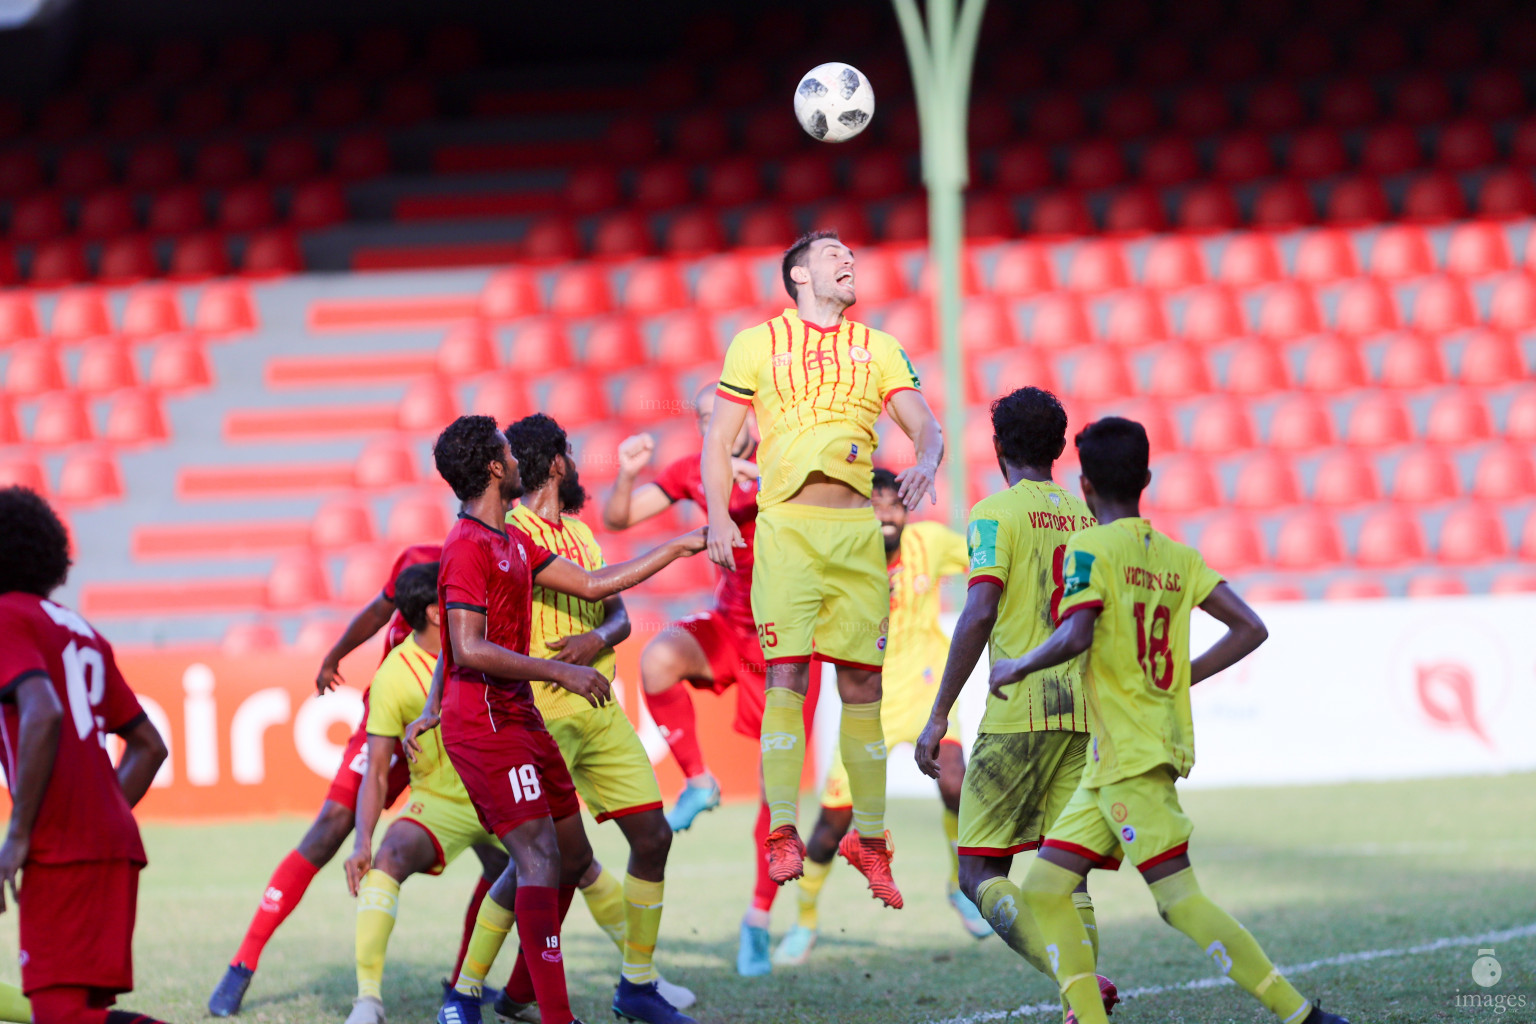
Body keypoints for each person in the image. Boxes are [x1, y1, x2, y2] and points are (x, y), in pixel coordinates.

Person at [994, 418, 1349, 1024]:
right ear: (1146, 479)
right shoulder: (1178, 558)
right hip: (1113, 763)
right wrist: (1184, 674)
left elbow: (1077, 633)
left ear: (1084, 486)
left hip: (1132, 759)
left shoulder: (1091, 548)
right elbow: (1251, 627)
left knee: (1178, 900)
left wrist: (1019, 663)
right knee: (1045, 889)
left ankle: (1303, 1017)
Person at [418, 415, 704, 1024]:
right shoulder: (470, 544)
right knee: (541, 861)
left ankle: (542, 995)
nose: (516, 456)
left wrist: (683, 544)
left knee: (560, 859)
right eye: (505, 450)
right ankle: (477, 996)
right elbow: (463, 646)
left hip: (538, 713)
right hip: (507, 716)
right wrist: (561, 671)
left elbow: (600, 585)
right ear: (497, 467)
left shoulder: (516, 542)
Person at [703, 229, 943, 910]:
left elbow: (925, 423)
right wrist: (720, 515)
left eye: (852, 256)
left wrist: (927, 457)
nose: (849, 261)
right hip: (787, 532)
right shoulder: (754, 344)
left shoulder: (878, 346)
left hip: (856, 535)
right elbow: (720, 439)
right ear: (799, 276)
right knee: (787, 673)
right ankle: (782, 829)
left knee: (862, 684)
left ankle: (870, 839)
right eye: (834, 255)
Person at [913, 387, 1119, 1020]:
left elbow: (978, 612)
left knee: (977, 871)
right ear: (1059, 448)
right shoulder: (1090, 518)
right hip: (1080, 713)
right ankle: (1085, 1007)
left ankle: (1075, 981)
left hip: (1018, 707)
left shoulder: (994, 513)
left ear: (997, 446)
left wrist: (939, 711)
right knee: (1065, 873)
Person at [603, 383, 822, 976]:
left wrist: (762, 480)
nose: (711, 425)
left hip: (791, 640)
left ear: (751, 415)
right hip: (731, 625)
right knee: (656, 660)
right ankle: (698, 781)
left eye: (720, 415)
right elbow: (618, 517)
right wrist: (626, 475)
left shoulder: (788, 457)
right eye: (702, 418)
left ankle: (756, 919)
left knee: (777, 795)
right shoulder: (696, 469)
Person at [209, 544, 461, 1017]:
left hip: (457, 723)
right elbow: (376, 612)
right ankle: (242, 963)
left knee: (506, 847)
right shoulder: (421, 563)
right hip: (390, 717)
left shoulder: (496, 558)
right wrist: (334, 655)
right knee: (330, 827)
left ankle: (467, 982)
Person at [501, 413, 693, 1021]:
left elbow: (617, 613)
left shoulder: (582, 533)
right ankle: (474, 984)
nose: (579, 463)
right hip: (543, 712)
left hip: (600, 707)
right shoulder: (511, 529)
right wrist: (679, 544)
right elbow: (587, 588)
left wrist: (596, 639)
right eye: (572, 455)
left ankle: (636, 984)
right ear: (557, 463)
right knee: (550, 861)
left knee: (653, 837)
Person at [774, 468, 986, 967]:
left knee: (956, 784)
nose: (887, 513)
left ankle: (961, 887)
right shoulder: (839, 562)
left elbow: (986, 558)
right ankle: (804, 922)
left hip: (927, 697)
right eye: (876, 504)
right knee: (830, 828)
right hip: (865, 707)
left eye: (894, 503)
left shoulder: (928, 543)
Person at [0, 486, 171, 1024]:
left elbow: (43, 711)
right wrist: (99, 815)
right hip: (112, 843)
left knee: (59, 1016)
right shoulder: (81, 630)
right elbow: (149, 745)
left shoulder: (6, 617)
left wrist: (20, 833)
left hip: (59, 851)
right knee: (82, 1010)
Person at [341, 561, 511, 1024]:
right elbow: (377, 770)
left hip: (498, 794)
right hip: (438, 801)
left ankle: (640, 977)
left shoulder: (487, 640)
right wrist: (361, 842)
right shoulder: (394, 676)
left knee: (574, 866)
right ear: (438, 612)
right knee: (389, 857)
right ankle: (368, 1000)